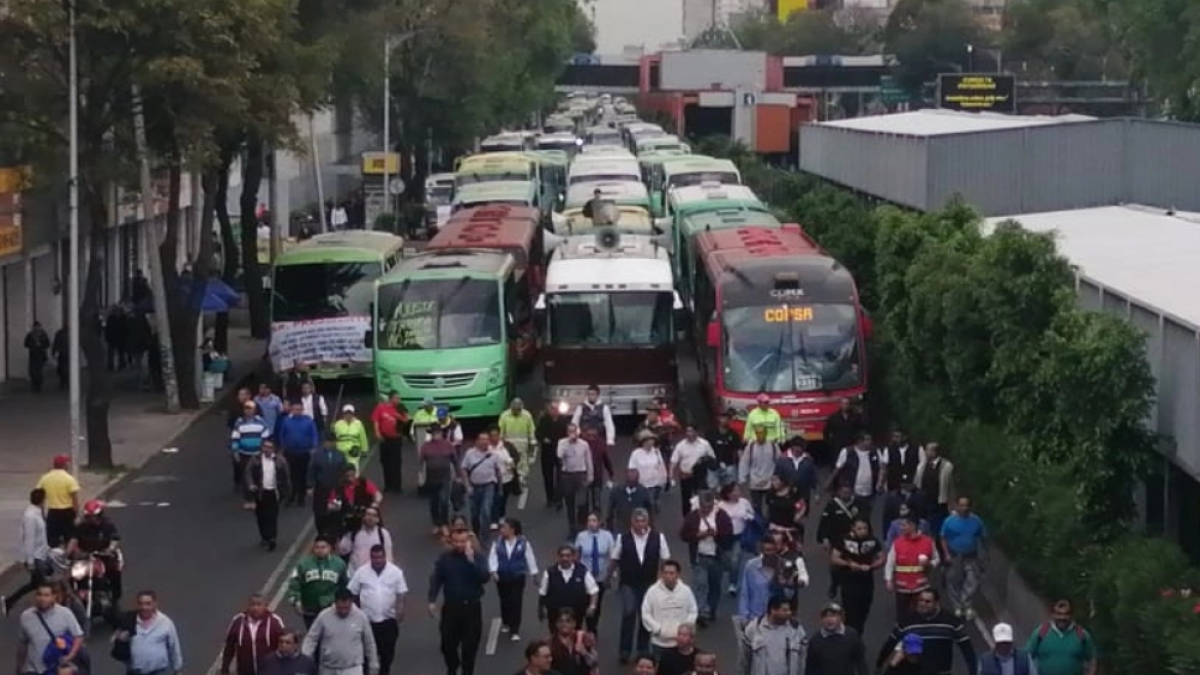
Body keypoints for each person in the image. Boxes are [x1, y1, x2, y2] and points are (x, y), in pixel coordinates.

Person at [608, 508, 672, 663]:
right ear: (632, 522)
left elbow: (665, 559)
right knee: (629, 612)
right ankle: (625, 650)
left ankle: (642, 649)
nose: (640, 524)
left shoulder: (659, 538)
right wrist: (607, 577)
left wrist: (665, 579)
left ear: (648, 521)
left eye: (643, 520)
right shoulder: (623, 538)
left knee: (645, 616)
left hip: (649, 582)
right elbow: (615, 559)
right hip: (628, 583)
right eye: (637, 521)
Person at [428, 527, 490, 675]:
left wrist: (471, 561)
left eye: (462, 541)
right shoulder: (445, 558)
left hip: (471, 608)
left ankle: (467, 672)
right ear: (451, 541)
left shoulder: (477, 557)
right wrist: (432, 600)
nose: (459, 545)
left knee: (470, 647)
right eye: (456, 541)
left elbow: (484, 578)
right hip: (451, 608)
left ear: (468, 541)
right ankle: (453, 665)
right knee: (447, 644)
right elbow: (437, 578)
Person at [875, 589, 977, 675]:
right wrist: (879, 664)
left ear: (936, 603)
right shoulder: (906, 622)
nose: (923, 604)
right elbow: (890, 644)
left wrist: (973, 671)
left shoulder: (950, 622)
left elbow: (967, 648)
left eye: (927, 601)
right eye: (921, 600)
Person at [347, 545, 408, 675]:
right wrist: (355, 612)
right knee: (366, 653)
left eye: (380, 557)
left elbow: (401, 592)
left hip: (388, 620)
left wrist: (400, 608)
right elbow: (352, 592)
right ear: (371, 557)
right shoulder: (361, 572)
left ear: (384, 556)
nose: (377, 560)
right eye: (374, 557)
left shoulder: (395, 572)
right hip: (367, 621)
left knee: (387, 653)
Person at [680, 491, 734, 627]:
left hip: (716, 557)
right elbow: (684, 535)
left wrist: (717, 534)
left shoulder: (721, 516)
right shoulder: (693, 517)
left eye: (708, 507)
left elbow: (729, 535)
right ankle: (701, 611)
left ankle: (711, 608)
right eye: (703, 507)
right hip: (700, 556)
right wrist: (698, 535)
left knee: (715, 585)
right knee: (701, 584)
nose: (706, 510)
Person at [301, 587, 379, 675]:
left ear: (351, 602)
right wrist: (305, 658)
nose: (343, 611)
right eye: (340, 608)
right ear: (335, 602)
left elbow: (369, 642)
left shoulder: (361, 617)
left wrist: (373, 664)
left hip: (352, 668)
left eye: (346, 608)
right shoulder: (324, 616)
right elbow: (311, 638)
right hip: (328, 668)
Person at [15, 583, 84, 675]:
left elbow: (78, 636)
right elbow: (23, 644)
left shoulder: (65, 614)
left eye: (46, 595)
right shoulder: (26, 617)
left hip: (57, 669)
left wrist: (70, 656)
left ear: (54, 597)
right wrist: (19, 668)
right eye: (39, 594)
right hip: (34, 670)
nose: (42, 598)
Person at [489, 518, 540, 642]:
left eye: (504, 527)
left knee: (516, 601)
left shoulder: (523, 543)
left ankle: (515, 629)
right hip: (502, 577)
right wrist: (494, 571)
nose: (501, 530)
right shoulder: (497, 543)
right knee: (505, 600)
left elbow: (530, 558)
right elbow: (492, 557)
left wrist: (534, 574)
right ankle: (506, 620)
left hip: (518, 576)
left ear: (512, 529)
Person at [829, 518, 883, 636]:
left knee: (863, 612)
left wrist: (871, 566)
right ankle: (850, 637)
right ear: (852, 528)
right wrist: (849, 564)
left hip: (867, 581)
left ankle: (857, 636)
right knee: (851, 613)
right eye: (859, 528)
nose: (863, 531)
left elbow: (882, 557)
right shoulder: (844, 540)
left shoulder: (873, 540)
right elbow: (834, 558)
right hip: (849, 581)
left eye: (865, 528)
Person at [3, 488, 51, 616]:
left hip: (41, 554)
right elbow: (29, 539)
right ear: (42, 500)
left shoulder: (37, 514)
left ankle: (9, 601)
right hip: (35, 557)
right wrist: (30, 561)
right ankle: (45, 611)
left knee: (34, 584)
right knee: (45, 586)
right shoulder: (30, 516)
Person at [940, 496, 987, 619]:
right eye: (961, 505)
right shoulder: (949, 521)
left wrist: (984, 555)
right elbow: (943, 538)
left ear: (970, 507)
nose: (964, 508)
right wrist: (946, 554)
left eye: (966, 505)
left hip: (971, 557)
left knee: (973, 581)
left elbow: (982, 537)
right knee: (954, 581)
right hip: (954, 556)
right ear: (956, 506)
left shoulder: (977, 521)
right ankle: (957, 606)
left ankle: (966, 603)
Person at [641, 559, 699, 657]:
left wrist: (685, 630)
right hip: (659, 643)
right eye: (666, 573)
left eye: (672, 573)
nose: (668, 576)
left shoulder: (686, 591)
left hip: (681, 644)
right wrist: (657, 629)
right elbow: (645, 613)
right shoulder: (652, 591)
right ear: (661, 574)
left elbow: (693, 611)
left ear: (678, 574)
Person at [287, 537, 348, 628]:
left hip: (331, 608)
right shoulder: (302, 564)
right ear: (313, 548)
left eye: (323, 547)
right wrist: (296, 601)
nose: (320, 550)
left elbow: (345, 585)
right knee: (313, 636)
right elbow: (294, 583)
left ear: (329, 548)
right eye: (317, 547)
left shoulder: (340, 564)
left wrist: (344, 603)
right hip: (310, 609)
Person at [539, 544, 600, 635]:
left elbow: (594, 590)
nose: (565, 558)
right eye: (562, 556)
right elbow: (543, 592)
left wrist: (592, 606)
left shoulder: (583, 571)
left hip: (576, 613)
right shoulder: (549, 572)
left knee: (574, 637)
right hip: (555, 614)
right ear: (558, 557)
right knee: (556, 638)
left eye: (568, 556)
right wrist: (541, 609)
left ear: (573, 557)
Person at [884, 516, 939, 617]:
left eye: (904, 525)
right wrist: (888, 579)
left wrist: (929, 563)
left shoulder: (928, 542)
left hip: (921, 587)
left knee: (921, 614)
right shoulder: (897, 543)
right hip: (902, 587)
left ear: (913, 526)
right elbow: (890, 562)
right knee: (902, 615)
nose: (901, 528)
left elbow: (936, 559)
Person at [69, 499, 123, 602]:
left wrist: (109, 549)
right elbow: (73, 540)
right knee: (73, 575)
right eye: (89, 517)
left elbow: (114, 539)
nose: (91, 519)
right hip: (85, 557)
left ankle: (113, 596)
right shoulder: (81, 527)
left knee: (113, 570)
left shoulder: (108, 525)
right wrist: (68, 553)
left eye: (93, 517)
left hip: (103, 556)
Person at [1025, 599, 1097, 675]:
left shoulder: (1082, 635)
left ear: (1071, 615)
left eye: (1066, 614)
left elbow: (1092, 659)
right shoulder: (1041, 633)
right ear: (1053, 614)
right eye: (1059, 614)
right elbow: (1026, 657)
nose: (1062, 618)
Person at [220, 593, 286, 675]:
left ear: (266, 606)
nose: (255, 608)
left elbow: (285, 646)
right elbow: (229, 647)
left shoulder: (275, 622)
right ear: (248, 606)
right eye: (252, 604)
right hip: (245, 671)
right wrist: (225, 669)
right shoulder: (238, 621)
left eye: (259, 605)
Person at [122, 590, 185, 675]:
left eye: (148, 603)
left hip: (159, 671)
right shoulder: (130, 621)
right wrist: (120, 638)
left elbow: (174, 646)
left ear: (155, 604)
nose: (144, 607)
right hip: (135, 672)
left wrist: (177, 669)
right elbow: (119, 645)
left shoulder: (165, 622)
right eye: (141, 603)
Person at [573, 512, 615, 634]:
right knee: (583, 601)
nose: (591, 523)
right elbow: (577, 554)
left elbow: (612, 555)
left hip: (600, 576)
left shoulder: (607, 536)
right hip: (585, 575)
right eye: (589, 521)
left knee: (597, 603)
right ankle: (581, 628)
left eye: (594, 520)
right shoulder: (581, 536)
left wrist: (611, 574)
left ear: (599, 522)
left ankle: (592, 628)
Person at [245, 441, 291, 551]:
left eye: (269, 447)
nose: (267, 449)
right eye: (265, 447)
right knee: (261, 516)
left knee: (272, 516)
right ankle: (265, 537)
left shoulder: (280, 461)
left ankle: (272, 538)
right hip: (260, 492)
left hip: (274, 492)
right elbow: (248, 473)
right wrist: (251, 485)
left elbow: (286, 476)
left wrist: (286, 491)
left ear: (274, 449)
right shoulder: (255, 459)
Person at [816, 483, 859, 600]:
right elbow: (824, 523)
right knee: (835, 565)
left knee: (853, 564)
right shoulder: (832, 505)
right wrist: (824, 539)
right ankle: (834, 584)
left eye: (848, 492)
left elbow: (865, 522)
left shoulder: (857, 505)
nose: (846, 495)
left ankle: (851, 588)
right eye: (843, 492)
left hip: (853, 540)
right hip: (835, 541)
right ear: (839, 492)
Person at [744, 595, 806, 675]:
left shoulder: (797, 630)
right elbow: (744, 661)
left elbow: (802, 660)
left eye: (789, 610)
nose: (789, 613)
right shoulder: (754, 629)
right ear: (773, 610)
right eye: (785, 610)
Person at [805, 602, 870, 675]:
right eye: (825, 616)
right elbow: (810, 669)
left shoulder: (852, 635)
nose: (829, 620)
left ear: (841, 617)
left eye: (833, 616)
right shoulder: (815, 641)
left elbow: (860, 661)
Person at [829, 432, 883, 519]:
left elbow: (881, 468)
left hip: (870, 492)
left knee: (866, 516)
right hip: (853, 491)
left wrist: (880, 482)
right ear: (860, 441)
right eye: (868, 440)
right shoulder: (847, 452)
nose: (870, 442)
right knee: (852, 515)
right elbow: (837, 470)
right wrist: (830, 485)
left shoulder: (875, 452)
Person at [419, 424, 460, 535]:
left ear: (441, 434)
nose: (435, 435)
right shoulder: (426, 446)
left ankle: (444, 524)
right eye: (433, 433)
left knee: (444, 501)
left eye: (437, 433)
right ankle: (436, 523)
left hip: (445, 478)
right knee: (434, 502)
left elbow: (455, 460)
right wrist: (421, 477)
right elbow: (421, 462)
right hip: (431, 478)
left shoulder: (448, 445)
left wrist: (458, 475)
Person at [715, 483, 755, 596]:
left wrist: (748, 517)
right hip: (724, 537)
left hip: (739, 536)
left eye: (738, 490)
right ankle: (726, 573)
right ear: (728, 493)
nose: (737, 493)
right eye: (734, 491)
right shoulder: (721, 505)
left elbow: (752, 514)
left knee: (735, 560)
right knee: (725, 560)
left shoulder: (744, 502)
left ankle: (733, 583)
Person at [462, 432, 503, 541]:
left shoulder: (493, 455)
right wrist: (467, 485)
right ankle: (476, 533)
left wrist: (500, 488)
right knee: (474, 514)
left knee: (485, 511)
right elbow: (464, 469)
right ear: (477, 441)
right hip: (474, 487)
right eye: (482, 439)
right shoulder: (470, 453)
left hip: (488, 486)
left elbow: (498, 471)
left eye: (487, 439)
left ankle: (485, 537)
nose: (485, 442)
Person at [308, 434, 350, 537]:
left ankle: (334, 535)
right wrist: (310, 486)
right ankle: (321, 534)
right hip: (321, 489)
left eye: (332, 442)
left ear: (335, 443)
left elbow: (345, 471)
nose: (329, 444)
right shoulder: (317, 455)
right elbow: (311, 471)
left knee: (335, 513)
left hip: (336, 490)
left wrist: (345, 485)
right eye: (327, 442)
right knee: (320, 513)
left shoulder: (340, 455)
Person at [278, 401, 319, 507]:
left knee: (303, 475)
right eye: (295, 409)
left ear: (302, 410)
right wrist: (283, 447)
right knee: (290, 475)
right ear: (291, 410)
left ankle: (301, 496)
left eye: (299, 409)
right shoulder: (286, 421)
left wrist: (314, 446)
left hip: (304, 452)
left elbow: (314, 434)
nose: (297, 411)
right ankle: (291, 496)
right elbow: (282, 434)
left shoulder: (308, 421)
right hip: (290, 453)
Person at [325, 466, 383, 541]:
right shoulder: (338, 489)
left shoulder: (364, 483)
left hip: (365, 516)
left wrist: (375, 504)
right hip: (347, 520)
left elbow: (378, 495)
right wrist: (337, 506)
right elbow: (331, 504)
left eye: (352, 475)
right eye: (347, 476)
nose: (350, 478)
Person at [557, 424, 595, 535]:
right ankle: (572, 528)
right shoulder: (562, 443)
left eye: (574, 431)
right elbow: (559, 455)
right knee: (570, 503)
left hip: (581, 475)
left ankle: (582, 525)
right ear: (567, 432)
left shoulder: (584, 444)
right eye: (570, 431)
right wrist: (568, 443)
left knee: (582, 502)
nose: (572, 433)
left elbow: (589, 460)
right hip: (567, 475)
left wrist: (590, 476)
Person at [671, 426, 716, 517]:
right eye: (687, 431)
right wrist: (671, 476)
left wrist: (704, 461)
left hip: (701, 476)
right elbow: (674, 461)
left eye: (691, 431)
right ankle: (687, 520)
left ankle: (705, 518)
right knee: (686, 500)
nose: (689, 433)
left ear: (696, 432)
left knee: (702, 498)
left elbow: (712, 458)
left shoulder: (704, 444)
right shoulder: (681, 445)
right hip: (686, 476)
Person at [37, 454, 80, 547]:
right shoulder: (69, 479)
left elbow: (40, 498)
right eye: (67, 463)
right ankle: (68, 557)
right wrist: (77, 515)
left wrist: (42, 513)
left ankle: (54, 557)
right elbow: (74, 500)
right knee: (69, 538)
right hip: (67, 512)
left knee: (52, 539)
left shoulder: (45, 478)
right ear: (64, 465)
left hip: (53, 512)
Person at [914, 443, 954, 539]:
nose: (926, 452)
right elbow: (917, 482)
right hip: (924, 503)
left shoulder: (946, 466)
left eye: (928, 450)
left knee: (939, 530)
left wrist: (951, 503)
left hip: (939, 503)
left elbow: (950, 486)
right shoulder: (922, 465)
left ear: (934, 452)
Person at [371, 392, 408, 493]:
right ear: (391, 399)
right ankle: (388, 485)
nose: (398, 400)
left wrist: (398, 416)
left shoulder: (401, 408)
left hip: (396, 438)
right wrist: (377, 432)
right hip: (385, 438)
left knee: (396, 462)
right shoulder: (381, 407)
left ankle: (397, 486)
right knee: (385, 461)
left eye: (399, 398)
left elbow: (406, 421)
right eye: (396, 398)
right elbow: (376, 421)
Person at [536, 400, 571, 509]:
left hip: (560, 453)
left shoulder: (563, 420)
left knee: (560, 477)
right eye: (552, 409)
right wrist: (543, 439)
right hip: (547, 452)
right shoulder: (544, 420)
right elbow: (538, 433)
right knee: (548, 476)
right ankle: (550, 498)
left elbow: (567, 434)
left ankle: (559, 498)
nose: (554, 411)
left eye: (556, 409)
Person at [337, 506, 393, 573]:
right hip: (355, 573)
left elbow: (388, 556)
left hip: (375, 574)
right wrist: (347, 532)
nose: (370, 518)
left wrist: (388, 573)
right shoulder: (354, 532)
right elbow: (342, 551)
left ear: (378, 519)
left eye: (374, 515)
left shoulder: (383, 534)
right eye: (368, 514)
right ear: (363, 517)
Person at [231, 401, 271, 493]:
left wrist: (265, 451)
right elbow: (235, 438)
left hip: (258, 453)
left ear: (255, 410)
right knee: (246, 475)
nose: (248, 411)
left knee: (258, 474)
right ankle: (248, 498)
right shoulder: (239, 422)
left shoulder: (261, 421)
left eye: (251, 409)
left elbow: (265, 437)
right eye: (246, 409)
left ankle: (259, 496)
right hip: (244, 453)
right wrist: (235, 451)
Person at [739, 426, 780, 515]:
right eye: (758, 434)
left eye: (762, 434)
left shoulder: (773, 446)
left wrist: (779, 477)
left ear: (766, 434)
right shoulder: (751, 446)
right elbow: (745, 461)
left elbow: (779, 461)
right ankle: (759, 524)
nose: (760, 436)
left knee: (772, 505)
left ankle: (770, 523)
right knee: (757, 506)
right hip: (755, 482)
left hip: (769, 481)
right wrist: (742, 477)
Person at [498, 397, 537, 489]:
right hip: (509, 445)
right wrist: (500, 443)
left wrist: (532, 443)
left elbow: (531, 430)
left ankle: (521, 479)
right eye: (514, 409)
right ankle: (511, 480)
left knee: (523, 463)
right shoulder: (504, 416)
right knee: (509, 463)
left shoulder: (527, 415)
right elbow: (501, 431)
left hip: (522, 445)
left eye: (518, 410)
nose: (516, 412)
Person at [548, 609, 599, 675]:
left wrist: (584, 652)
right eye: (561, 621)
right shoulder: (550, 643)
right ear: (557, 624)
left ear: (574, 624)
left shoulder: (583, 638)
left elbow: (594, 663)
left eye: (568, 621)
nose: (564, 624)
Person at [628, 435, 669, 513]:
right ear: (644, 442)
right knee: (644, 504)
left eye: (652, 440)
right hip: (642, 484)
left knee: (652, 503)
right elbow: (631, 467)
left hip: (655, 483)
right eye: (650, 440)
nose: (652, 442)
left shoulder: (656, 452)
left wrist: (664, 478)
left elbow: (661, 465)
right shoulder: (636, 453)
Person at [489, 428, 520, 527]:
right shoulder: (487, 447)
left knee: (503, 499)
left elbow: (515, 457)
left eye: (496, 435)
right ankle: (494, 520)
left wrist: (512, 463)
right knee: (494, 498)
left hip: (506, 477)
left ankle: (501, 515)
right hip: (492, 478)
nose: (494, 438)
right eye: (492, 435)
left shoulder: (506, 446)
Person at [608, 468, 654, 533]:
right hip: (621, 527)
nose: (631, 480)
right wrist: (609, 526)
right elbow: (610, 510)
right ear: (626, 478)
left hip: (639, 528)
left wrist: (650, 526)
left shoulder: (644, 492)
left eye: (634, 478)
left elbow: (649, 510)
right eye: (629, 478)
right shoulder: (616, 491)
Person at [775, 438, 818, 505]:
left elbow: (813, 478)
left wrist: (816, 493)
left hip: (804, 496)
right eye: (796, 447)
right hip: (787, 495)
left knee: (803, 513)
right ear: (792, 447)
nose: (798, 450)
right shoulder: (782, 460)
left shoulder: (808, 460)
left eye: (801, 448)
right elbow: (777, 477)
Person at [822, 399, 865, 466]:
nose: (845, 405)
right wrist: (830, 442)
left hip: (852, 445)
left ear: (850, 405)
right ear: (840, 405)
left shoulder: (856, 417)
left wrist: (859, 442)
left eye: (847, 404)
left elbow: (861, 430)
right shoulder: (833, 417)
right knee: (838, 464)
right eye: (843, 403)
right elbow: (826, 431)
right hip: (838, 446)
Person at [764, 474, 807, 542]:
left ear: (783, 481)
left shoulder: (792, 494)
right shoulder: (770, 494)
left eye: (775, 480)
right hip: (774, 528)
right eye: (772, 480)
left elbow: (801, 505)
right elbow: (768, 509)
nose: (773, 482)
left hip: (789, 527)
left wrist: (798, 516)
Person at [708, 411, 742, 487]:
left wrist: (741, 464)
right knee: (713, 490)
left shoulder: (734, 434)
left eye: (727, 419)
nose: (725, 420)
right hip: (713, 467)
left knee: (730, 489)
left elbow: (739, 449)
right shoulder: (711, 433)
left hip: (729, 466)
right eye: (723, 418)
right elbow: (705, 450)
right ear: (719, 419)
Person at [332, 405, 370, 470]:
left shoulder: (358, 424)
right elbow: (333, 438)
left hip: (353, 450)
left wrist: (364, 450)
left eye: (350, 413)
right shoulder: (337, 424)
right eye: (346, 413)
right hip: (341, 451)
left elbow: (363, 438)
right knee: (341, 469)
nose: (348, 415)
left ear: (353, 414)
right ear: (343, 414)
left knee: (354, 468)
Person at [24, 322, 51, 393]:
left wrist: (41, 345)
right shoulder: (30, 335)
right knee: (33, 372)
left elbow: (48, 344)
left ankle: (38, 385)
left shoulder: (44, 335)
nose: (37, 328)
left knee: (40, 372)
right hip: (33, 356)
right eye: (36, 327)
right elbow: (26, 344)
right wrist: (33, 345)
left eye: (39, 327)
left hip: (41, 356)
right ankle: (34, 385)